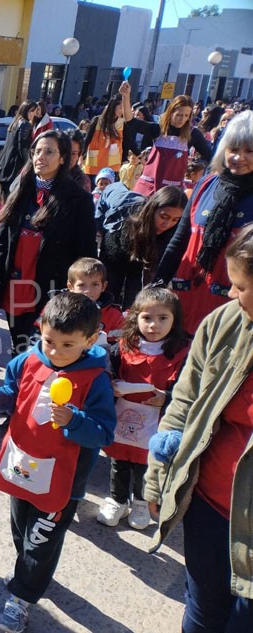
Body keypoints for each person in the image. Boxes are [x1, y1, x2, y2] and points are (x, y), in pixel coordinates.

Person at [0, 292, 116, 633]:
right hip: (21, 464)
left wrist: (74, 421)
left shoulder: (95, 379)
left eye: (67, 345)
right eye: (49, 340)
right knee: (21, 528)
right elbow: (14, 394)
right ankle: (32, 573)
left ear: (90, 338)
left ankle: (22, 597)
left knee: (41, 539)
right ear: (40, 329)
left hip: (61, 481)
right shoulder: (27, 360)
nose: (55, 352)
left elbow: (103, 434)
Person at [144, 224, 253, 633]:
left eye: (241, 287)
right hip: (209, 507)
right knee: (203, 612)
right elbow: (183, 403)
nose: (230, 295)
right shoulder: (223, 323)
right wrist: (159, 477)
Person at [0, 129, 96, 355]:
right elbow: (1, 242)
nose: (40, 157)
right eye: (37, 151)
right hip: (15, 285)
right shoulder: (22, 189)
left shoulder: (78, 199)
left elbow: (86, 252)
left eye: (49, 152)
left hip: (51, 290)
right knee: (19, 346)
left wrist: (80, 290)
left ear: (63, 158)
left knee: (43, 350)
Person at [153, 111, 253, 335]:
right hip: (186, 303)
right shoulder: (205, 185)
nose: (239, 158)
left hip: (233, 314)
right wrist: (157, 286)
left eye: (249, 151)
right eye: (233, 150)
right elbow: (179, 241)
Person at [97, 288, 188, 530]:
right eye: (147, 318)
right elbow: (107, 368)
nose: (154, 325)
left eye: (162, 318)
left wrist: (166, 398)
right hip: (123, 415)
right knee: (119, 461)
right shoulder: (124, 346)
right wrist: (111, 383)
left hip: (156, 421)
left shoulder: (182, 353)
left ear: (174, 320)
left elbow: (190, 390)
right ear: (135, 318)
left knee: (146, 465)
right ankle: (117, 499)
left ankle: (140, 501)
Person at [99, 186, 187, 308]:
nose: (167, 224)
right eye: (163, 216)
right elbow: (110, 189)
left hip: (137, 268)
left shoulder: (173, 232)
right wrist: (98, 224)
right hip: (112, 258)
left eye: (175, 220)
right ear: (153, 208)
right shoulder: (127, 205)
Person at [123, 93, 213, 197]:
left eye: (186, 116)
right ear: (171, 112)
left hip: (171, 192)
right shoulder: (158, 129)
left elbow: (210, 156)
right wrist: (126, 96)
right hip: (149, 188)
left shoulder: (193, 134)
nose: (182, 119)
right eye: (179, 114)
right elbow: (131, 121)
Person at [66, 258, 125, 347]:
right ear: (70, 286)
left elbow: (119, 347)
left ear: (103, 286)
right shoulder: (57, 308)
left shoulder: (114, 316)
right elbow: (40, 337)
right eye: (81, 285)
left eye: (95, 284)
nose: (88, 291)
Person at [82, 86, 132, 180]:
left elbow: (127, 143)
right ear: (113, 106)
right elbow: (87, 140)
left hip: (113, 166)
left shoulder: (123, 123)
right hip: (94, 165)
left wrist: (125, 159)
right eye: (121, 108)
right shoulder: (97, 121)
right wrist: (81, 156)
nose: (122, 111)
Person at [0, 100, 39, 191]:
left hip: (6, 163)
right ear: (25, 110)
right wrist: (28, 163)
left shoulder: (15, 122)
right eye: (32, 111)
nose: (33, 114)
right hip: (16, 166)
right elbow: (22, 147)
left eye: (35, 112)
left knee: (6, 194)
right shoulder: (25, 124)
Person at [65, 129, 92, 193]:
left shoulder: (82, 180)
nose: (69, 157)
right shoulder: (51, 172)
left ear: (79, 155)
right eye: (66, 152)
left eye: (73, 154)